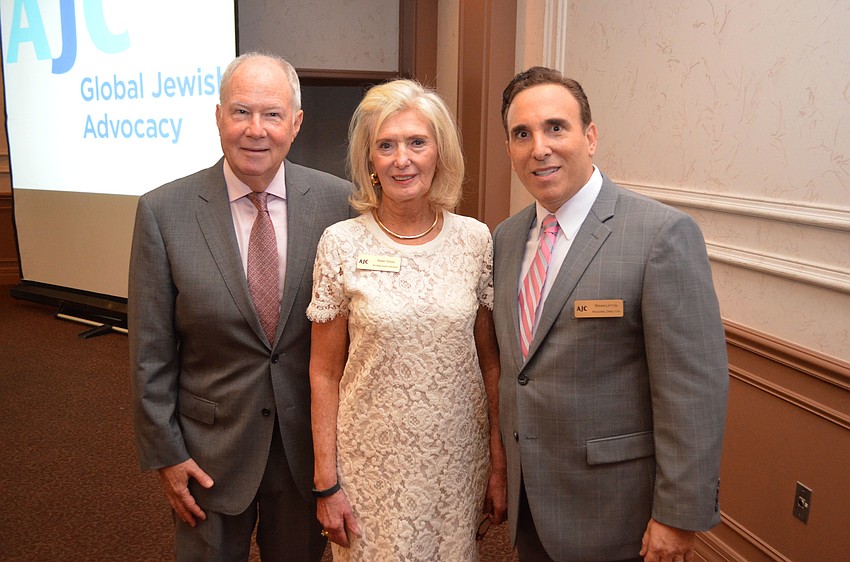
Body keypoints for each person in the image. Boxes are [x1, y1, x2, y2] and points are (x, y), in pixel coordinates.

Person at [492, 66, 729, 562]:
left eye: (556, 127)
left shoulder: (660, 235)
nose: (540, 147)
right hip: (530, 504)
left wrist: (678, 514)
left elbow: (693, 389)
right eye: (522, 134)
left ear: (590, 136)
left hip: (618, 514)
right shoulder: (506, 240)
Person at [128, 52, 353, 561]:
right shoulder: (164, 213)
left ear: (295, 123)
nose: (256, 130)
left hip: (306, 456)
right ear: (218, 117)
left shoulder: (340, 204)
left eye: (272, 114)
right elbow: (149, 353)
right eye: (241, 112)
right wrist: (167, 455)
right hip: (209, 455)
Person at [306, 79, 508, 561]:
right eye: (386, 145)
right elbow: (324, 372)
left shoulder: (475, 241)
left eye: (417, 142)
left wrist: (498, 464)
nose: (403, 159)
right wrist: (325, 481)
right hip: (370, 468)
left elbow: (491, 366)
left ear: (439, 152)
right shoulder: (340, 243)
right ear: (370, 161)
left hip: (455, 464)